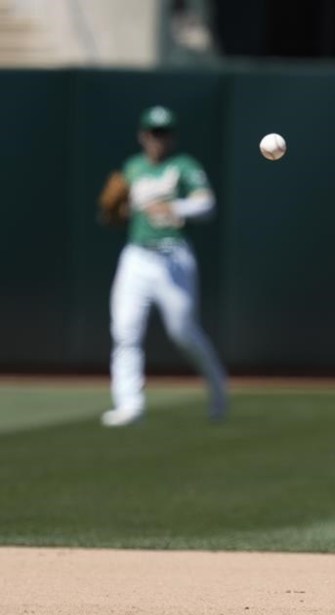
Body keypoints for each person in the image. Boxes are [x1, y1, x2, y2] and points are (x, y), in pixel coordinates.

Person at [98, 105, 228, 427]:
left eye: (165, 133)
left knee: (183, 332)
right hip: (137, 256)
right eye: (154, 133)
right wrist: (116, 212)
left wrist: (175, 206)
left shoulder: (183, 166)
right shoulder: (133, 167)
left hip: (173, 256)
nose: (160, 139)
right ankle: (130, 405)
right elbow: (116, 212)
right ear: (143, 136)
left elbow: (207, 204)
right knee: (125, 331)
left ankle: (217, 387)